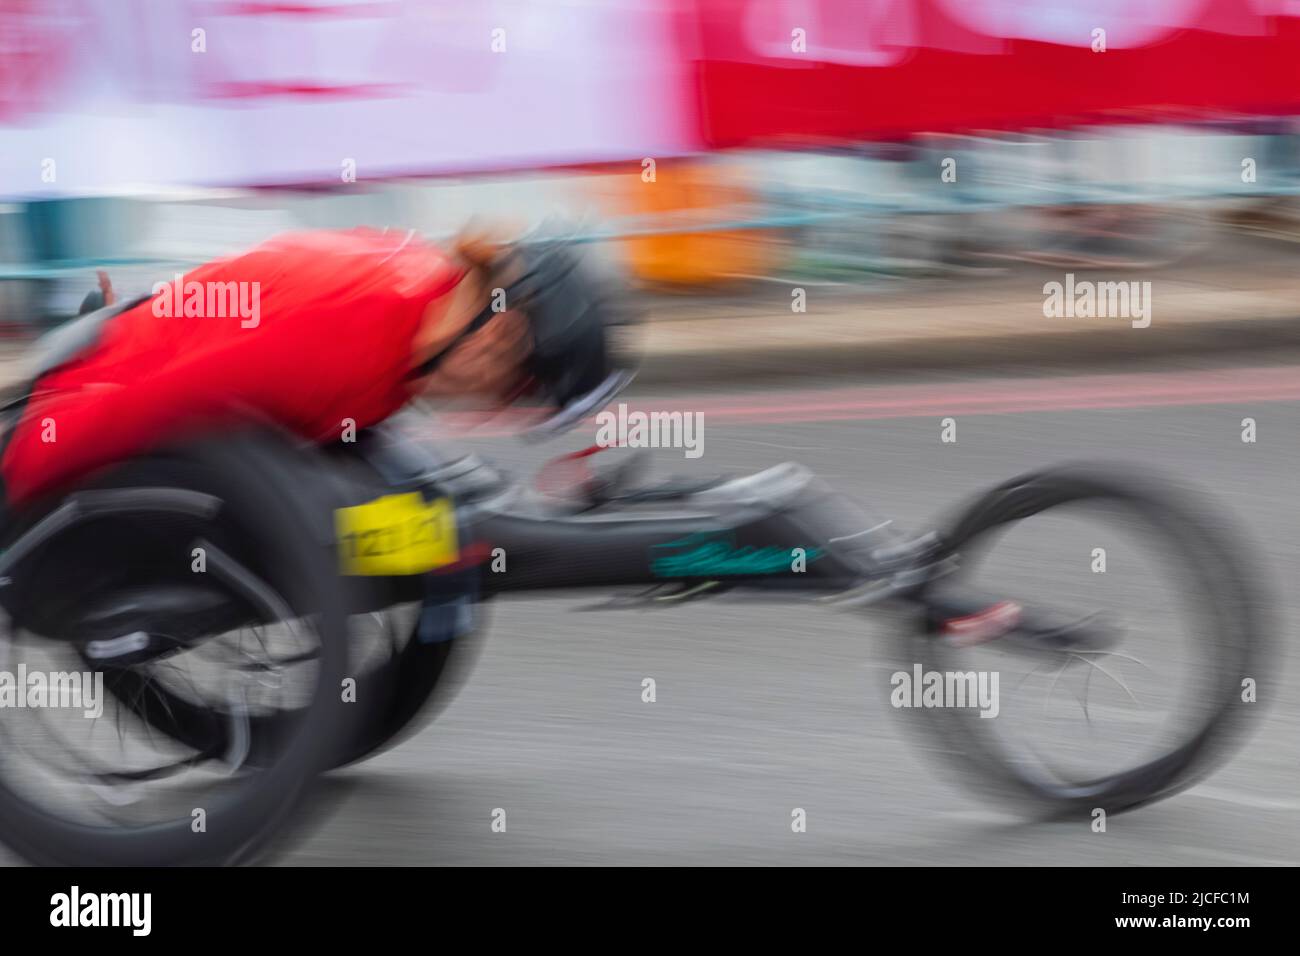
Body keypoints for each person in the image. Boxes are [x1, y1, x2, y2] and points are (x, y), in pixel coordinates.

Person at [0, 226, 627, 506]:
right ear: (500, 334)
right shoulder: (340, 329)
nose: (501, 408)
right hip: (98, 386)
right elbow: (152, 396)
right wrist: (20, 469)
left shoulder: (423, 304)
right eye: (520, 390)